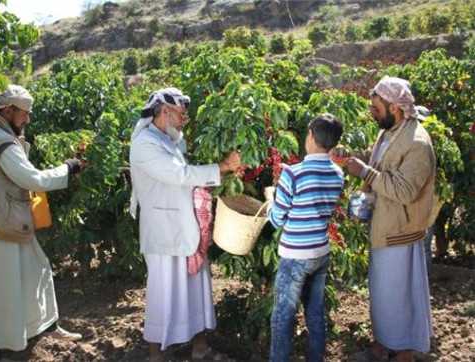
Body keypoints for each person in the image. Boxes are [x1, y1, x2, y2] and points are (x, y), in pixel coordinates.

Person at [0, 85, 85, 362]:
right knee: (2, 296)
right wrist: (69, 168)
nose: (27, 120)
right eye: (24, 114)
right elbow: (34, 180)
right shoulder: (1, 142)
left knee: (37, 271)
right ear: (8, 111)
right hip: (2, 227)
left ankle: (44, 327)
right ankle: (0, 353)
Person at [129, 87, 241, 362]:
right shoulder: (145, 143)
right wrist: (222, 168)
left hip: (186, 227)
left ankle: (200, 348)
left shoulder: (171, 140)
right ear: (164, 112)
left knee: (197, 289)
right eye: (181, 114)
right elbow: (178, 174)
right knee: (163, 293)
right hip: (164, 232)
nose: (184, 120)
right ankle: (157, 354)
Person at [338, 77, 435, 362]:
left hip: (400, 231)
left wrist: (365, 173)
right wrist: (351, 158)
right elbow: (375, 160)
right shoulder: (391, 131)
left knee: (399, 295)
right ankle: (382, 346)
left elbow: (404, 191)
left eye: (376, 107)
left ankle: (403, 351)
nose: (372, 111)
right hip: (385, 226)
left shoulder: (417, 142)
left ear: (395, 107)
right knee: (382, 293)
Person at [264, 114, 345, 362]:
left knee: (282, 316)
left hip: (295, 255)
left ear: (310, 135)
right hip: (320, 252)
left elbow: (278, 219)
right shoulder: (337, 173)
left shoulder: (294, 173)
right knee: (315, 312)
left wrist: (270, 203)